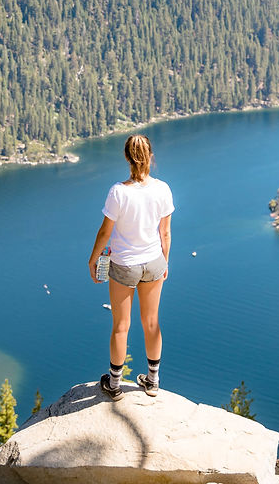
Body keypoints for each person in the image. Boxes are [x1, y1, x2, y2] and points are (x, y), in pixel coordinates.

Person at [88, 134, 173, 401]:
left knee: (121, 326)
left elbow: (105, 232)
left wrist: (94, 258)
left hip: (124, 265)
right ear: (151, 157)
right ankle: (152, 381)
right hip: (154, 262)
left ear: (127, 157)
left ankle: (114, 385)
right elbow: (166, 233)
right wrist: (165, 261)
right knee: (151, 322)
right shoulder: (163, 189)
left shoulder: (118, 192)